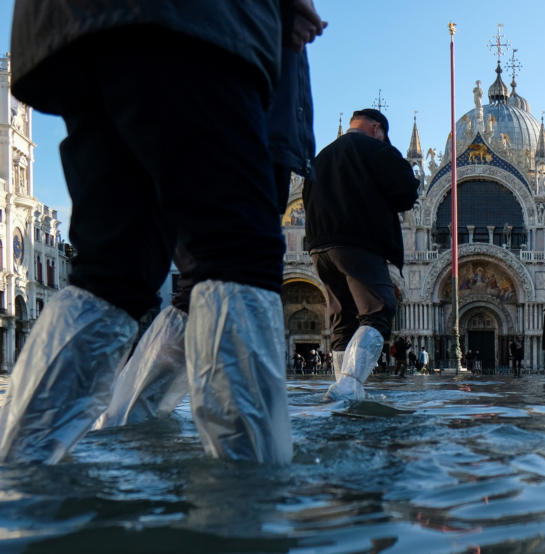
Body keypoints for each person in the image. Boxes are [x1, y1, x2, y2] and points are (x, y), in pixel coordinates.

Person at [0, 0, 328, 465]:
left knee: (113, 269)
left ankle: (15, 470)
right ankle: (248, 500)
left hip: (75, 25)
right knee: (237, 254)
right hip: (199, 23)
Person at [304, 108, 419, 401]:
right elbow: (407, 191)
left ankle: (343, 389)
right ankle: (348, 385)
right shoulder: (376, 149)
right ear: (377, 129)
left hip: (319, 249)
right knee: (379, 311)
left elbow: (306, 200)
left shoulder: (321, 157)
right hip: (357, 244)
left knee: (344, 319)